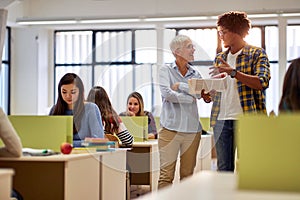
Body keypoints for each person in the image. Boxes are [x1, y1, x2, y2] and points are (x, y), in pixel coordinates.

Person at [209, 11, 271, 171]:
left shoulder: (257, 53)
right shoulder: (220, 58)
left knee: (249, 169)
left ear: (236, 31)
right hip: (221, 120)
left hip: (247, 120)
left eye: (223, 32)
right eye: (219, 32)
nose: (220, 36)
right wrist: (208, 94)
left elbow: (262, 82)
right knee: (223, 170)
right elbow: (220, 89)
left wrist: (234, 72)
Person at [157, 34, 210, 189]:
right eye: (189, 46)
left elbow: (200, 94)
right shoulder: (165, 70)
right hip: (170, 131)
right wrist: (190, 97)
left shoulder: (195, 73)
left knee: (188, 177)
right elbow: (167, 94)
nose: (193, 49)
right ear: (177, 51)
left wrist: (180, 85)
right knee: (166, 176)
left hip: (192, 132)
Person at [49, 73, 104, 144]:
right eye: (64, 92)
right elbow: (50, 138)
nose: (68, 96)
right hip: (58, 153)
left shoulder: (91, 109)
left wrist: (70, 144)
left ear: (80, 92)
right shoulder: (54, 110)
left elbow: (98, 140)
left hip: (84, 154)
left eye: (73, 92)